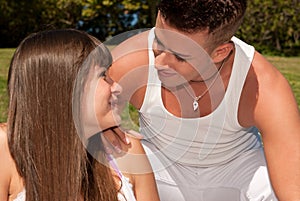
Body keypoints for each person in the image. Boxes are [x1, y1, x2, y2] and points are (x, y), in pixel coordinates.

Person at [104, 0, 300, 200]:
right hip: (157, 170)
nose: (160, 62)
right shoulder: (128, 62)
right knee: (109, 165)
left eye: (180, 57)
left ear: (220, 52)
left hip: (238, 175)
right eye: (159, 42)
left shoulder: (263, 86)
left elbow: (293, 190)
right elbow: (78, 126)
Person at [0, 29, 159, 201]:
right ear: (65, 87)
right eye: (103, 75)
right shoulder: (7, 149)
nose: (118, 87)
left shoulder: (127, 150)